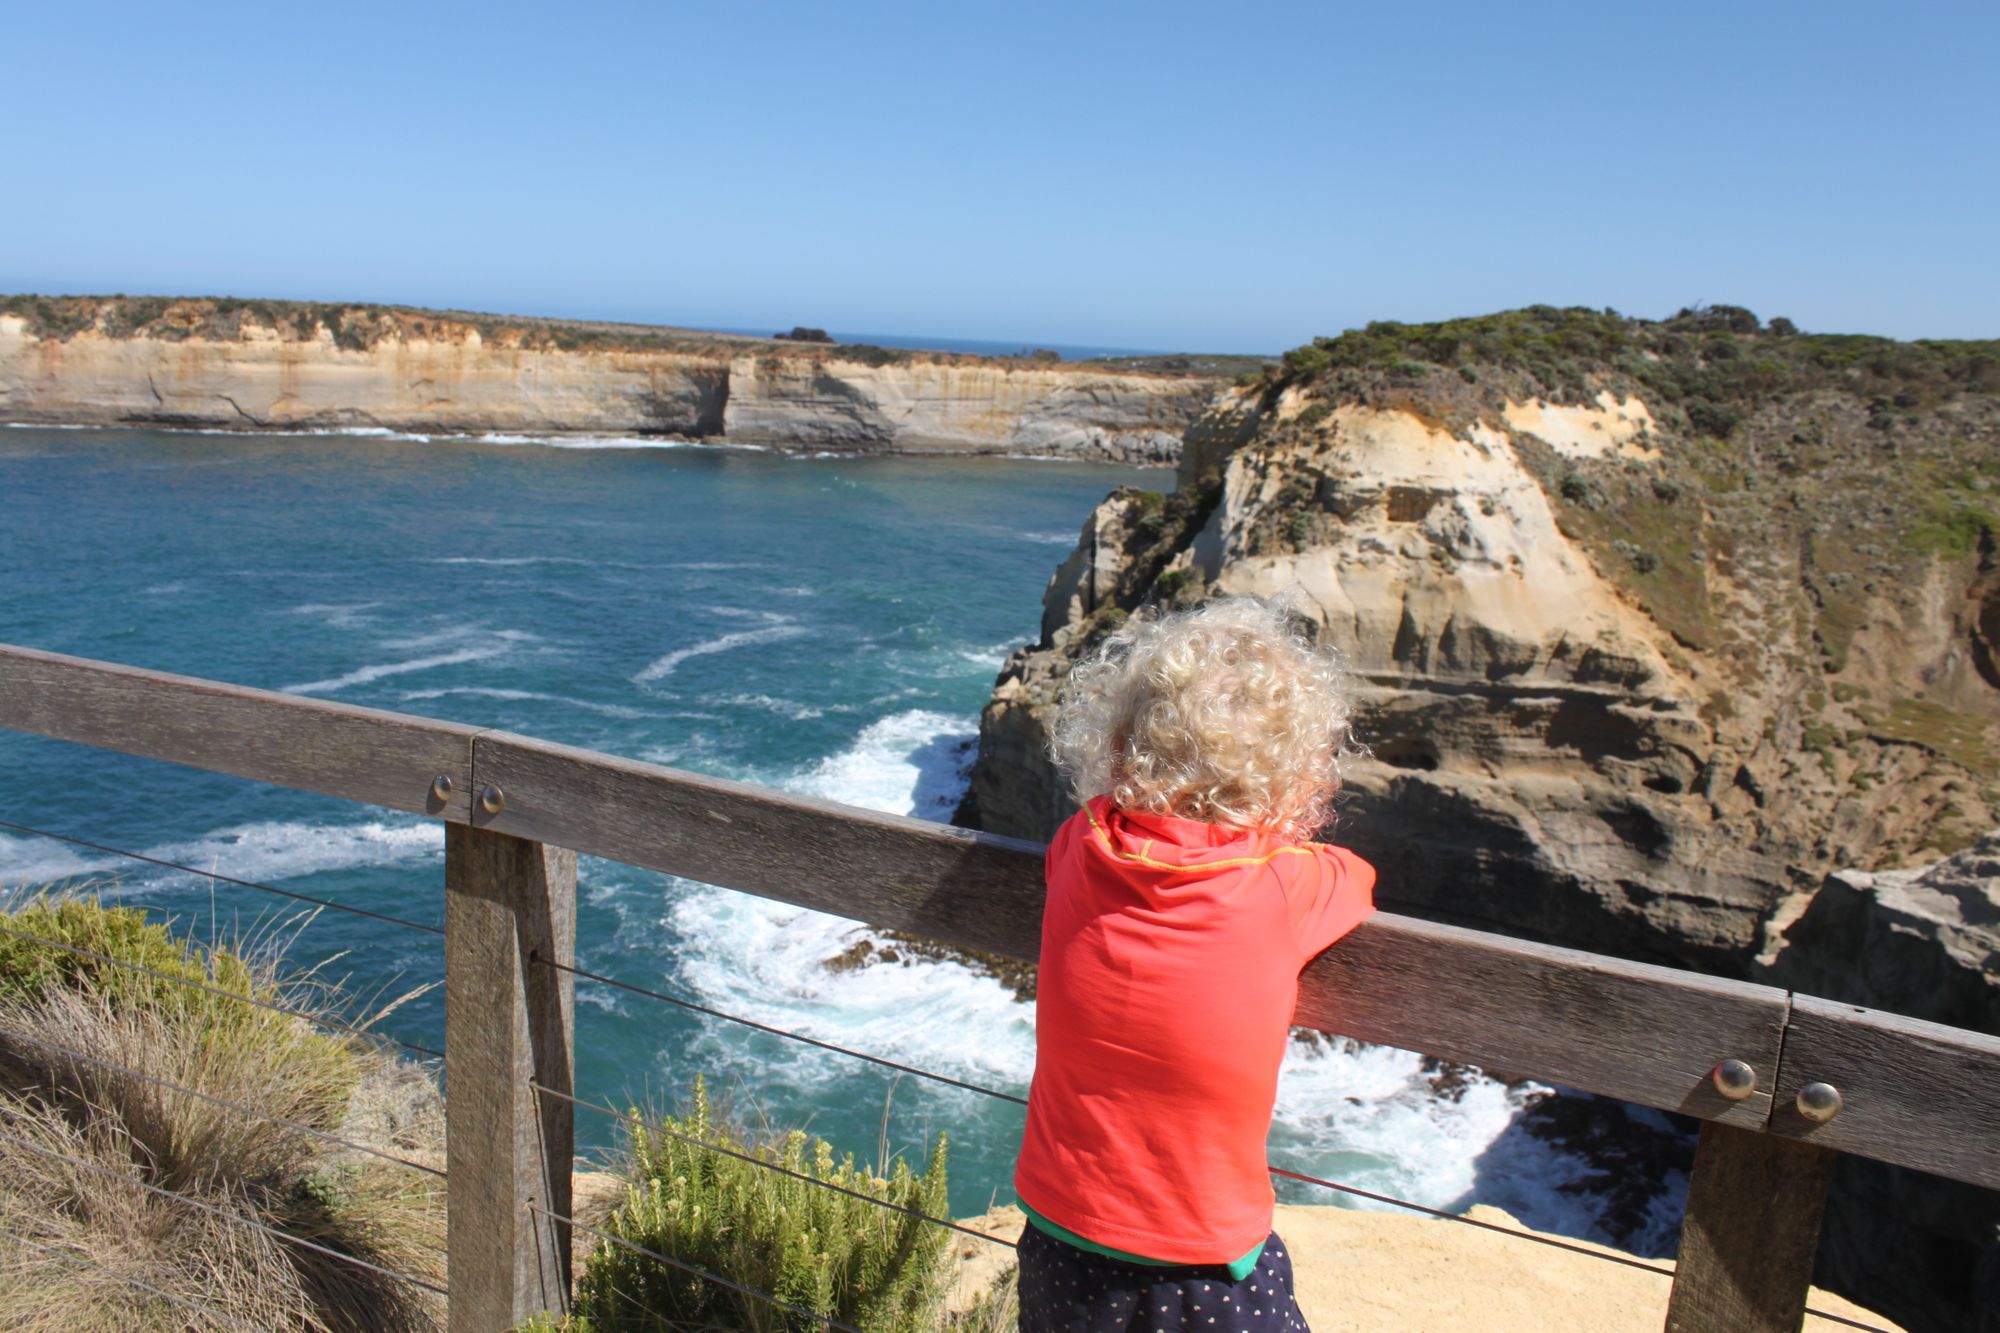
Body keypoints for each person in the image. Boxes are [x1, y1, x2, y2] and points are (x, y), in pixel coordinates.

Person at [1013, 596, 1376, 1333]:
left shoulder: (1079, 847)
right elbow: (1357, 878)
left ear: (1117, 743)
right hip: (1202, 1260)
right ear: (1299, 777)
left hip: (1058, 1236)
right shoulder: (1285, 885)